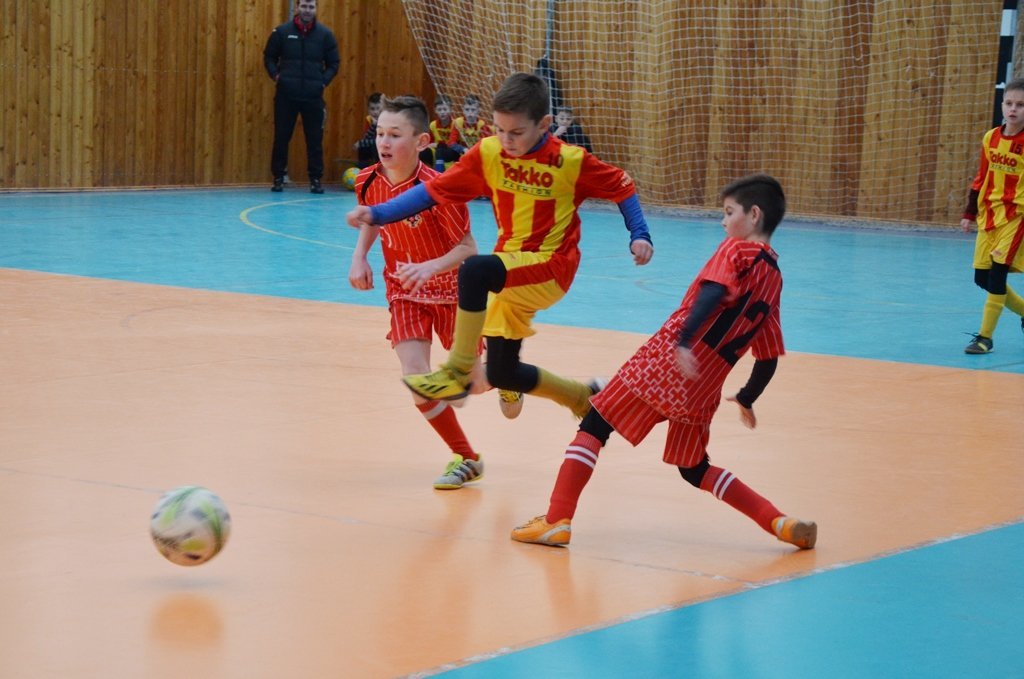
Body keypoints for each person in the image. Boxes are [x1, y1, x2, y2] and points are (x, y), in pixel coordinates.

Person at [511, 174, 817, 551]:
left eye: (728, 212)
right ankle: (779, 522)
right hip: (705, 385)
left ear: (754, 215)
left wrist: (684, 342)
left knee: (595, 423)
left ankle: (556, 519)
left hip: (667, 360)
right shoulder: (774, 279)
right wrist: (747, 397)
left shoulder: (736, 250)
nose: (723, 221)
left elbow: (713, 290)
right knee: (695, 468)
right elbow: (768, 356)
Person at [347, 72, 654, 427]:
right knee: (501, 372)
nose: (506, 140)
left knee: (475, 270)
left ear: (544, 124)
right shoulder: (489, 152)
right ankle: (582, 397)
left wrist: (639, 233)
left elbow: (621, 185)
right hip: (510, 268)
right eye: (499, 129)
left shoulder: (570, 160)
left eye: (516, 132)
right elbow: (433, 192)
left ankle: (457, 368)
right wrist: (378, 213)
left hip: (551, 265)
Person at [348, 95, 484, 489]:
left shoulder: (440, 189)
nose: (384, 142)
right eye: (380, 133)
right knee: (415, 377)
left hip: (453, 294)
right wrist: (359, 257)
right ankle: (467, 457)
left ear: (422, 141)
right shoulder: (366, 179)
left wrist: (430, 267)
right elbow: (373, 220)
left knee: (473, 385)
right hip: (405, 292)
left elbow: (468, 249)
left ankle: (507, 374)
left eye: (395, 135)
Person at [959, 78, 1024, 354]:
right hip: (989, 215)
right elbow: (981, 176)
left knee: (997, 276)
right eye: (1009, 103)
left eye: (1020, 105)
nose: (1014, 109)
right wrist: (969, 211)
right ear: (1002, 105)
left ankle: (985, 338)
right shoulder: (991, 137)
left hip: (1016, 217)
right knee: (981, 277)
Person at [263, 0, 340, 194]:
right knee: (281, 137)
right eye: (304, 6)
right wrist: (277, 76)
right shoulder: (281, 32)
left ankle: (315, 179)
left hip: (313, 97)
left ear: (316, 9)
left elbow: (334, 63)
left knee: (315, 140)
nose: (307, 10)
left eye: (311, 7)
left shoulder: (325, 35)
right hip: (286, 96)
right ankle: (278, 177)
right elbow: (269, 57)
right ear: (297, 7)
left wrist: (322, 82)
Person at [423, 95, 457, 168]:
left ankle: (439, 172)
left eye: (445, 109)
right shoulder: (433, 125)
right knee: (423, 152)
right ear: (435, 110)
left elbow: (454, 143)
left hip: (450, 150)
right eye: (439, 110)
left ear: (451, 109)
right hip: (437, 150)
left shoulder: (455, 124)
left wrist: (439, 145)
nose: (442, 112)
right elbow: (430, 143)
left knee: (441, 150)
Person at [354, 92, 384, 168]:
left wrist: (360, 143)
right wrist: (373, 125)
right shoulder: (369, 120)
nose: (375, 112)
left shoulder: (385, 120)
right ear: (368, 109)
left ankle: (380, 169)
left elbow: (379, 140)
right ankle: (363, 168)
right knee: (363, 147)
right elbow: (366, 138)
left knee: (372, 145)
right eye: (372, 109)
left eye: (378, 108)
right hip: (374, 144)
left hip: (384, 146)